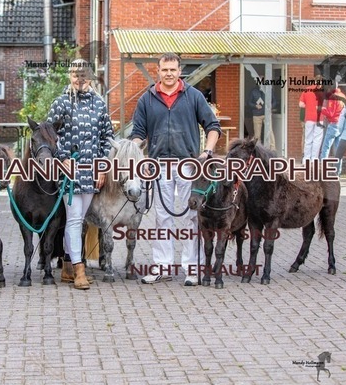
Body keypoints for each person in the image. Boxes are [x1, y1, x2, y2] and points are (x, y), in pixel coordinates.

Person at [129, 52, 220, 286]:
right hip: (160, 166)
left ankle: (192, 269)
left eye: (173, 70)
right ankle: (162, 267)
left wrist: (207, 152)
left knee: (192, 216)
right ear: (158, 71)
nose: (169, 74)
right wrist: (134, 151)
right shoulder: (147, 99)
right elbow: (138, 133)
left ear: (180, 71)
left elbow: (212, 126)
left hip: (189, 166)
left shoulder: (194, 96)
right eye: (165, 70)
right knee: (162, 218)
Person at [46, 59, 113, 290]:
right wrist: (61, 157)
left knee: (79, 219)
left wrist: (102, 165)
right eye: (75, 75)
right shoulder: (60, 103)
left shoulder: (99, 104)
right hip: (69, 172)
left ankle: (67, 267)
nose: (79, 79)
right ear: (70, 76)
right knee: (74, 219)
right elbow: (48, 135)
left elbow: (107, 137)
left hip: (91, 172)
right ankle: (79, 269)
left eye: (83, 75)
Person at [299, 75, 325, 160]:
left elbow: (300, 104)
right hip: (319, 119)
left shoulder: (307, 90)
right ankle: (314, 159)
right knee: (317, 140)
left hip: (309, 118)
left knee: (308, 139)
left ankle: (306, 159)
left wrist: (309, 106)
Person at [249, 79, 276, 151]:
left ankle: (273, 149)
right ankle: (258, 150)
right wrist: (255, 106)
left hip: (267, 114)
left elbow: (275, 102)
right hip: (257, 115)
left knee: (270, 132)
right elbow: (249, 102)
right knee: (257, 134)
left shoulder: (269, 90)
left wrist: (270, 106)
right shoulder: (253, 91)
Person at [319, 88, 346, 159]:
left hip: (334, 123)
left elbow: (330, 113)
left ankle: (323, 163)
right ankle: (338, 165)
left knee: (326, 146)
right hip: (341, 124)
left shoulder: (333, 97)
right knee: (338, 148)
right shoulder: (343, 96)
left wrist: (321, 109)